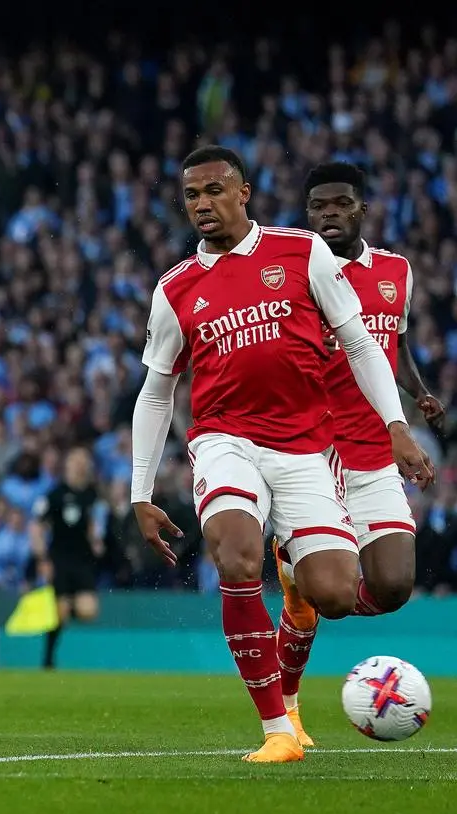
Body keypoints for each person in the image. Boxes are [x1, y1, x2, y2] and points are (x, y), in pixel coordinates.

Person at [130, 146, 433, 763]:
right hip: (224, 441)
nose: (202, 205)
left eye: (214, 190)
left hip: (303, 448)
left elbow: (360, 341)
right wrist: (139, 493)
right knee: (238, 558)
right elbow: (157, 389)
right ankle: (277, 731)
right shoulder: (176, 287)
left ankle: (296, 582)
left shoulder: (300, 252)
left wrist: (398, 425)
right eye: (191, 195)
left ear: (244, 193)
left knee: (338, 596)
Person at [273, 162, 446, 746]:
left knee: (394, 586)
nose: (329, 214)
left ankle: (305, 583)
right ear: (307, 213)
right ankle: (286, 708)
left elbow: (389, 343)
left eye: (340, 204)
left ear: (361, 210)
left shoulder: (396, 271)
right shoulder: (294, 272)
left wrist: (417, 393)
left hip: (374, 448)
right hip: (315, 453)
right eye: (318, 206)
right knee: (334, 598)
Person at [30, 447, 106, 669]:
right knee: (59, 616)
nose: (81, 464)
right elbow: (36, 526)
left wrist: (96, 542)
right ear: (68, 465)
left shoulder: (92, 495)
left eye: (84, 460)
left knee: (89, 611)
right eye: (76, 460)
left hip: (82, 560)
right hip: (59, 559)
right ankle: (48, 659)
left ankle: (66, 605)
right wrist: (42, 558)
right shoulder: (54, 494)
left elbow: (94, 524)